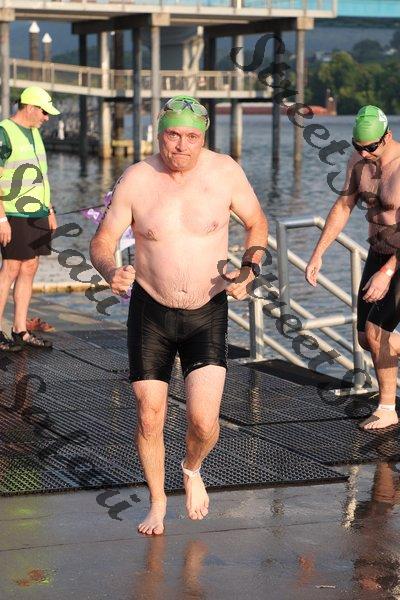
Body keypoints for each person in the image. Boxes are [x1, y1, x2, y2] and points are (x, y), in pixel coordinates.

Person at [90, 95, 268, 535]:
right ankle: (157, 501)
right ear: (159, 134)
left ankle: (191, 468)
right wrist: (111, 271)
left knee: (204, 424)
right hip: (151, 312)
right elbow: (103, 240)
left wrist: (249, 269)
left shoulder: (225, 172)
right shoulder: (138, 178)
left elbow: (257, 223)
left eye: (191, 137)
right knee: (149, 414)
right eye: (173, 135)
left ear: (203, 138)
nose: (182, 145)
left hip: (207, 312)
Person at [306, 105, 400, 431]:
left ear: (387, 137)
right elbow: (343, 206)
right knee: (364, 338)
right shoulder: (358, 162)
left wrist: (387, 273)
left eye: (371, 147)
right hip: (378, 251)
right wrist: (318, 253)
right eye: (358, 146)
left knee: (377, 333)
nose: (364, 153)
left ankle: (387, 408)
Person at [0, 86, 60, 352]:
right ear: (31, 107)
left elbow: (41, 176)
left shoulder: (35, 133)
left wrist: (49, 210)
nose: (46, 118)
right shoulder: (4, 132)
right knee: (11, 268)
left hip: (37, 212)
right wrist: (1, 219)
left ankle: (20, 331)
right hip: (13, 212)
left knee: (30, 268)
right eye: (44, 112)